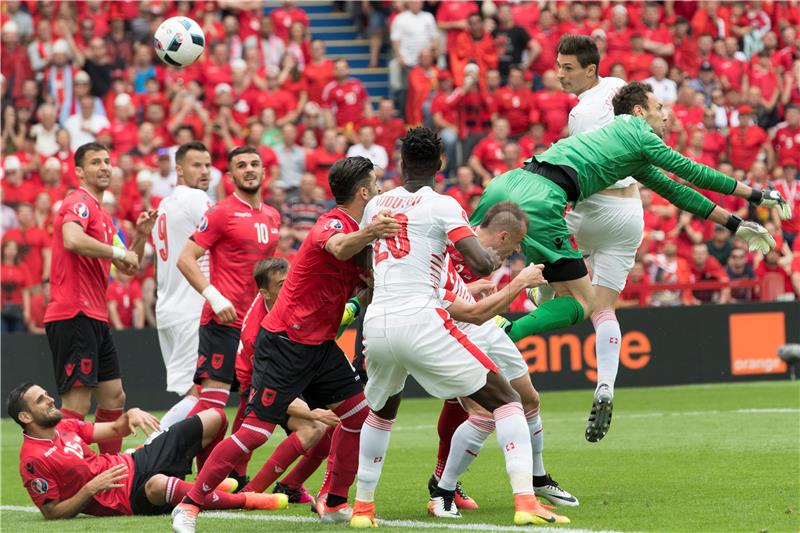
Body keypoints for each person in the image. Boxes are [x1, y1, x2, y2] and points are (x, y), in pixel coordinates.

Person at [472, 81, 790, 439]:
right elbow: (691, 171)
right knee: (583, 302)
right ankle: (504, 330)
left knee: (464, 269)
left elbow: (676, 191)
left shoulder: (627, 148)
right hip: (546, 199)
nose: (666, 115)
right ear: (639, 111)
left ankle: (467, 319)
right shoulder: (637, 131)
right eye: (659, 107)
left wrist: (734, 223)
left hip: (508, 183)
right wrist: (756, 194)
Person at [350, 128, 567, 528]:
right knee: (505, 400)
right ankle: (525, 502)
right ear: (442, 164)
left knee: (381, 413)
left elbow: (366, 262)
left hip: (377, 323)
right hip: (421, 318)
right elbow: (482, 262)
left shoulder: (377, 202)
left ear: (400, 164)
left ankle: (363, 509)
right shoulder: (443, 205)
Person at [170, 157, 400, 533]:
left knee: (358, 415)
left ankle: (334, 502)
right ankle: (190, 505)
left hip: (321, 345)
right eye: (374, 184)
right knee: (254, 433)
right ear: (362, 192)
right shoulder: (333, 224)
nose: (379, 190)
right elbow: (340, 248)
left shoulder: (360, 234)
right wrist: (373, 233)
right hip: (286, 342)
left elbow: (366, 279)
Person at [430, 202, 579, 511]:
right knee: (484, 413)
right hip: (451, 331)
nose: (516, 251)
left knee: (529, 399)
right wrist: (478, 287)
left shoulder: (488, 257)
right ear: (501, 236)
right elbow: (430, 291)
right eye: (515, 244)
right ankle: (441, 490)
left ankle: (538, 479)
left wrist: (477, 289)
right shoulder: (454, 245)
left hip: (486, 326)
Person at [9, 382, 286, 520]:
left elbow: (115, 430)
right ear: (25, 417)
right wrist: (91, 489)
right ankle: (246, 500)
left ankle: (204, 484)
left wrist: (132, 414)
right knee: (158, 486)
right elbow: (51, 512)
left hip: (135, 461)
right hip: (127, 498)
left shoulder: (67, 425)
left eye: (46, 394)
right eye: (40, 400)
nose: (49, 399)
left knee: (215, 418)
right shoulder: (32, 461)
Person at [44, 142, 154, 455]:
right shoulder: (78, 201)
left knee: (114, 397)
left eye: (107, 161)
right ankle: (67, 472)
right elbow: (73, 238)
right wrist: (120, 250)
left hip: (94, 316)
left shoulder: (105, 218)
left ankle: (110, 466)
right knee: (76, 404)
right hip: (73, 313)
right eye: (95, 162)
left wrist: (142, 235)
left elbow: (128, 267)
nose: (104, 166)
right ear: (79, 171)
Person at [176, 146, 281, 472]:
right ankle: (169, 460)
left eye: (254, 164)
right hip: (223, 321)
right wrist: (215, 297)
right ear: (231, 175)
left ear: (264, 172)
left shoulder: (273, 215)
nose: (249, 170)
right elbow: (185, 259)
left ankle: (230, 472)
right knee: (212, 406)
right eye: (241, 165)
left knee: (256, 406)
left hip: (257, 325)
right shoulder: (221, 212)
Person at [229, 257, 337, 498]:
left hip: (289, 370)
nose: (289, 288)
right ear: (265, 293)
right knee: (314, 427)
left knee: (327, 433)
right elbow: (272, 388)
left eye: (290, 281)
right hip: (260, 383)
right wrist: (314, 412)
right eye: (281, 285)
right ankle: (251, 492)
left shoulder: (285, 295)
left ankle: (290, 486)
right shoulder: (258, 334)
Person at [151, 142, 213, 430]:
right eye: (196, 165)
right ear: (178, 169)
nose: (204, 171)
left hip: (168, 307)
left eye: (207, 165)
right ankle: (148, 452)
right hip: (191, 307)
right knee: (203, 396)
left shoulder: (164, 205)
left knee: (196, 392)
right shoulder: (195, 199)